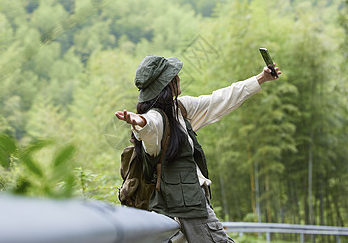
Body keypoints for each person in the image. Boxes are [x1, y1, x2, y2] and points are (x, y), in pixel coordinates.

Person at [115, 55, 280, 242]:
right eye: (173, 76)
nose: (178, 78)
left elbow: (219, 99)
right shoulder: (156, 118)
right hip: (187, 209)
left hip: (188, 205)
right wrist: (139, 122)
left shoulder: (180, 109)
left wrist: (261, 78)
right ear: (166, 85)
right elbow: (149, 127)